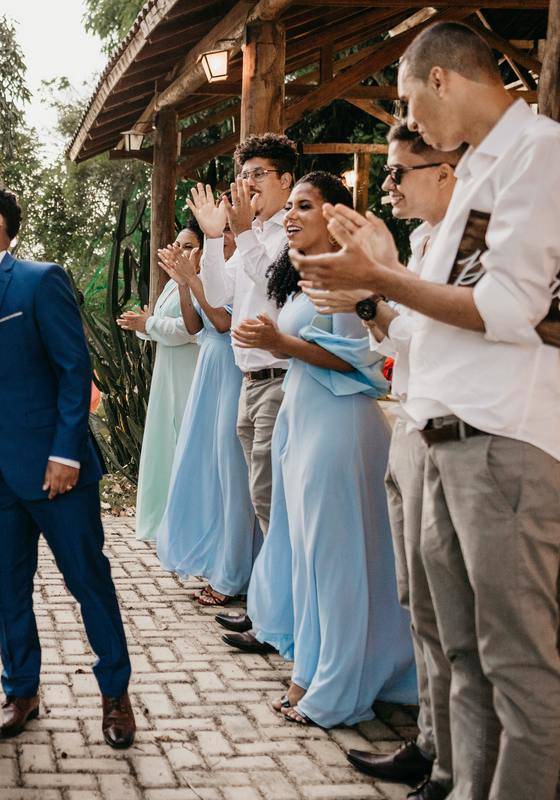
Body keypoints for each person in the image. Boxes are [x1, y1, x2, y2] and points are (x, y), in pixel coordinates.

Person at [294, 22, 560, 798]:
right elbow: (435, 315)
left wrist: (380, 278)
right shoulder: (482, 168)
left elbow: (510, 307)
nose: (411, 119)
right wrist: (377, 282)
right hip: (445, 430)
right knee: (464, 657)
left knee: (520, 670)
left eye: (410, 97)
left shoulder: (539, 153)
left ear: (441, 80)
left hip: (503, 440)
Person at [0, 177, 135, 748]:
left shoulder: (40, 279)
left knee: (88, 581)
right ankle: (21, 690)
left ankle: (115, 696)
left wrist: (64, 451)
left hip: (57, 470)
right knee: (8, 586)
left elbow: (75, 371)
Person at [304, 125, 459, 793]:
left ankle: (456, 767)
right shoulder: (427, 245)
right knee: (417, 606)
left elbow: (440, 342)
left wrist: (376, 282)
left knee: (455, 621)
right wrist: (371, 301)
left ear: (447, 171)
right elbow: (405, 339)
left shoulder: (465, 248)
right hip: (410, 426)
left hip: (449, 436)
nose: (388, 184)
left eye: (400, 172)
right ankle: (430, 743)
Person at [234, 171, 416, 728]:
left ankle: (337, 686)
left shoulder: (347, 279)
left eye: (303, 205)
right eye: (288, 207)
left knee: (336, 563)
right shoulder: (304, 277)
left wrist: (279, 343)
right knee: (310, 558)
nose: (290, 215)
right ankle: (308, 672)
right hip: (304, 419)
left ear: (335, 215)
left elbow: (363, 364)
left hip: (339, 427)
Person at [187, 135, 296, 638]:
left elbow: (273, 282)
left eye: (258, 173)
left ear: (285, 179)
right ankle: (270, 609)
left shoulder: (289, 234)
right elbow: (218, 292)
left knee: (273, 504)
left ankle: (278, 618)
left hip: (280, 379)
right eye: (244, 174)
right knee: (261, 502)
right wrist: (213, 239)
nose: (247, 183)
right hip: (249, 381)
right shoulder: (252, 235)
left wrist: (240, 232)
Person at [152, 231, 261, 606]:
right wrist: (184, 285)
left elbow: (220, 323)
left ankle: (233, 577)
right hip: (208, 371)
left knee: (233, 477)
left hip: (230, 372)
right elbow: (195, 325)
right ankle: (221, 561)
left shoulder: (242, 269)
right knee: (208, 470)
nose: (225, 237)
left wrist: (193, 280)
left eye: (229, 230)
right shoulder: (219, 270)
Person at [116, 224, 200, 543]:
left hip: (190, 372)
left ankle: (187, 526)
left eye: (189, 246)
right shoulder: (170, 286)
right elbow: (160, 326)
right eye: (177, 244)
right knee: (166, 444)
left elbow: (191, 330)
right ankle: (163, 522)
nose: (181, 251)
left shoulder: (203, 284)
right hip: (167, 371)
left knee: (186, 443)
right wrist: (142, 323)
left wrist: (149, 322)